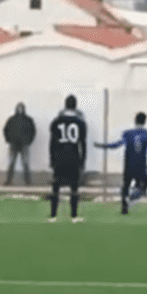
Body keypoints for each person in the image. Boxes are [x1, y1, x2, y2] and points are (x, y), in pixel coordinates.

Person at [94, 112, 147, 215]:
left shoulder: (128, 134)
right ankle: (131, 198)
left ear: (135, 121)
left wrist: (101, 146)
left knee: (126, 185)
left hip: (129, 165)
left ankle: (124, 207)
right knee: (143, 188)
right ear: (145, 122)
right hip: (141, 166)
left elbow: (116, 145)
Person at [48, 95, 87, 223]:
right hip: (73, 157)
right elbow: (82, 143)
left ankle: (53, 215)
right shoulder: (80, 122)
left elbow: (52, 142)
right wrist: (83, 160)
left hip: (59, 156)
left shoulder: (56, 121)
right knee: (74, 187)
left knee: (56, 186)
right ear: (75, 106)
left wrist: (52, 159)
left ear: (65, 105)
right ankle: (74, 215)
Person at [3, 102, 36, 186]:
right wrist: (8, 140)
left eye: (21, 108)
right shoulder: (13, 119)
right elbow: (6, 130)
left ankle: (27, 182)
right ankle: (9, 181)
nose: (20, 110)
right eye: (19, 108)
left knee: (25, 163)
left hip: (23, 144)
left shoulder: (27, 120)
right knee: (12, 163)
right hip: (14, 144)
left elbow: (33, 131)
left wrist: (29, 141)